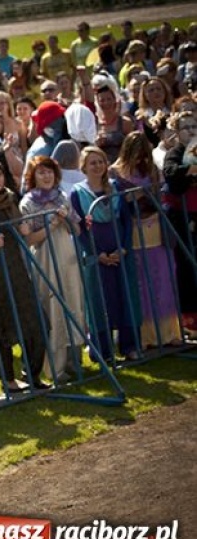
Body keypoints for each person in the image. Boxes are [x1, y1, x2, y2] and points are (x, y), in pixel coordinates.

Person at [0, 158, 48, 393]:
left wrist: (23, 226)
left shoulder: (10, 200)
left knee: (37, 323)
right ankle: (7, 379)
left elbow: (22, 230)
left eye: (0, 174)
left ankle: (32, 373)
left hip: (16, 271)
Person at [70, 146, 140, 361]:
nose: (98, 166)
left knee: (125, 297)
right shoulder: (77, 193)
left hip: (121, 252)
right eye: (93, 162)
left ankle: (129, 346)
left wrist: (124, 247)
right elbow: (79, 228)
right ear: (83, 167)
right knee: (99, 301)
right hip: (95, 256)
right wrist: (96, 253)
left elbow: (126, 221)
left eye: (100, 161)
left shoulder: (115, 187)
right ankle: (102, 351)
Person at [111, 132, 181, 348]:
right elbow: (116, 199)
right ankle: (144, 336)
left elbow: (162, 193)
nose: (141, 158)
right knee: (140, 282)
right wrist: (136, 195)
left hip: (156, 227)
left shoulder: (153, 170)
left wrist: (150, 192)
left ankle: (168, 332)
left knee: (163, 279)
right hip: (133, 229)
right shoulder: (115, 171)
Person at [19, 157, 85, 384]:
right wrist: (51, 225)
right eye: (41, 172)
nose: (46, 176)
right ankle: (54, 368)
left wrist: (66, 220)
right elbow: (28, 240)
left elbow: (76, 229)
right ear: (33, 176)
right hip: (45, 258)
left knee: (73, 304)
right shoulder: (27, 203)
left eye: (50, 172)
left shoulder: (62, 197)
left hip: (68, 257)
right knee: (53, 308)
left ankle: (74, 361)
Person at [163, 111, 197, 335]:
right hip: (185, 219)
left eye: (194, 126)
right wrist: (191, 169)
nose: (192, 131)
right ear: (177, 132)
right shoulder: (174, 153)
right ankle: (190, 322)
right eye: (186, 127)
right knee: (187, 268)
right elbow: (172, 176)